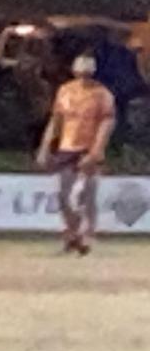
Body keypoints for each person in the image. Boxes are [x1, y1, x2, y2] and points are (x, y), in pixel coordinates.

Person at [36, 53, 116, 255]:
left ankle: (87, 237)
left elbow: (106, 124)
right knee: (63, 196)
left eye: (87, 74)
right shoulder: (65, 91)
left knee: (85, 195)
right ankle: (73, 234)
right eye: (80, 73)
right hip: (67, 147)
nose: (83, 78)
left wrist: (96, 151)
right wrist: (45, 147)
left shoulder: (102, 94)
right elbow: (56, 121)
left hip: (88, 148)